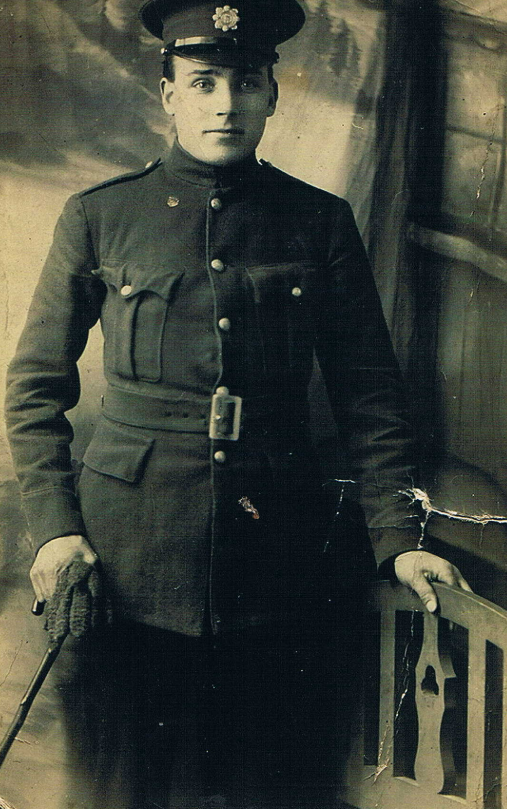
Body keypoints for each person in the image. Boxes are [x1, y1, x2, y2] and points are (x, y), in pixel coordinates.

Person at [4, 1, 470, 807]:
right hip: (128, 564)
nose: (225, 103)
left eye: (245, 82)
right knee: (120, 791)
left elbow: (370, 395)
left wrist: (398, 537)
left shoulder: (319, 222)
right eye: (203, 82)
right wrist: (54, 527)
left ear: (272, 95)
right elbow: (33, 386)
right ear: (169, 94)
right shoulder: (100, 217)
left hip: (278, 569)